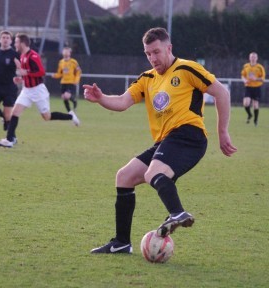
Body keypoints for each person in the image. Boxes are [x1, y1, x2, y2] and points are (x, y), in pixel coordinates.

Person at [83, 27, 237, 254]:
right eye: (148, 54)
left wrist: (222, 132)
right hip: (166, 141)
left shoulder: (186, 68)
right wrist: (101, 98)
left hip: (189, 135)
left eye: (156, 52)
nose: (153, 58)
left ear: (169, 48)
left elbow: (221, 93)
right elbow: (123, 102)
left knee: (153, 173)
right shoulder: (147, 79)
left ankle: (177, 213)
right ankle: (121, 243)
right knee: (124, 176)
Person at [0, 33, 80, 148]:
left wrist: (26, 73)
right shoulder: (22, 56)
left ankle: (71, 116)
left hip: (38, 90)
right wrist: (21, 79)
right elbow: (28, 74)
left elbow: (41, 72)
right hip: (27, 90)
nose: (14, 44)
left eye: (16, 42)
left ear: (22, 43)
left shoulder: (33, 56)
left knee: (47, 117)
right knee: (15, 112)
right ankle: (10, 139)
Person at [52, 47, 81, 112]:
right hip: (63, 82)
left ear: (70, 53)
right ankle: (70, 112)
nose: (65, 52)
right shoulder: (61, 62)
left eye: (67, 51)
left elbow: (78, 72)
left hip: (71, 82)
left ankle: (74, 101)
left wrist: (76, 80)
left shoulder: (73, 62)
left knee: (67, 96)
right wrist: (55, 76)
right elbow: (60, 73)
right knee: (64, 97)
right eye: (64, 51)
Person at [241, 52, 265, 126]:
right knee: (246, 103)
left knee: (255, 105)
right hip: (248, 87)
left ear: (257, 58)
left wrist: (256, 79)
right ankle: (250, 115)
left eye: (254, 57)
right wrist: (244, 80)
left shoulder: (260, 67)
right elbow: (243, 75)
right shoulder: (246, 66)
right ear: (249, 58)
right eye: (251, 57)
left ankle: (255, 120)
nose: (253, 58)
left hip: (257, 87)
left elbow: (263, 79)